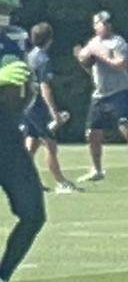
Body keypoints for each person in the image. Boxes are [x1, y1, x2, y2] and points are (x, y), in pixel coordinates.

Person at [0, 0, 47, 282]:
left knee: (33, 213)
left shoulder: (14, 40)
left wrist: (26, 93)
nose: (7, 15)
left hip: (6, 136)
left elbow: (24, 93)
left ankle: (0, 281)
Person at [74, 10, 128, 184]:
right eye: (99, 23)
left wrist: (99, 55)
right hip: (99, 94)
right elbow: (87, 62)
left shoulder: (118, 42)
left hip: (118, 92)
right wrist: (82, 58)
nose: (103, 26)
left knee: (127, 128)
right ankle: (97, 169)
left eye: (104, 23)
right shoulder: (93, 42)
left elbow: (120, 64)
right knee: (92, 133)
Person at [21, 23, 81, 193]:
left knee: (31, 145)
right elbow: (44, 87)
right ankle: (61, 182)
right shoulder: (43, 59)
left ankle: (29, 182)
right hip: (37, 108)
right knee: (50, 145)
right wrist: (54, 113)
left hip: (26, 106)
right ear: (50, 39)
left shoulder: (28, 56)